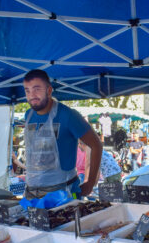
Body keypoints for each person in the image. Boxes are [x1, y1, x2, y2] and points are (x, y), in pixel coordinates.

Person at [22, 69, 102, 200]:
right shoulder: (28, 115)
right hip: (33, 194)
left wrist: (91, 182)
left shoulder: (68, 115)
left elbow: (96, 145)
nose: (32, 95)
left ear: (49, 90)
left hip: (64, 193)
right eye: (27, 90)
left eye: (37, 89)